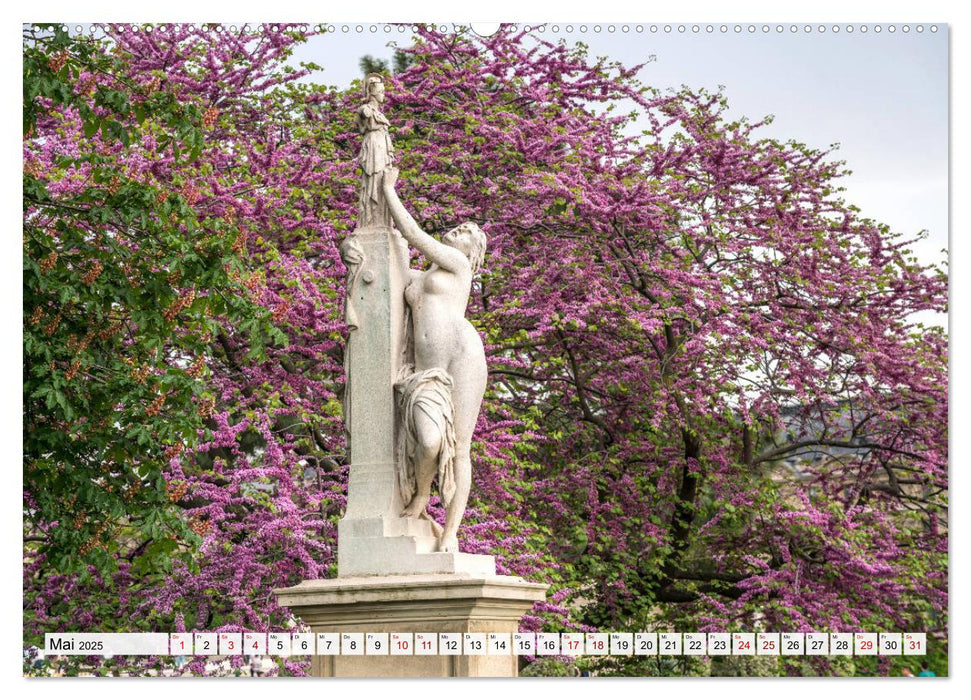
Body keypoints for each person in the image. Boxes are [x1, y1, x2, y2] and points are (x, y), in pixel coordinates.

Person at [382, 166, 488, 553]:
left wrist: (388, 191)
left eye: (466, 233)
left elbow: (412, 234)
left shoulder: (458, 267)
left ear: (471, 253)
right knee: (429, 442)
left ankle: (452, 533)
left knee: (459, 446)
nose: (459, 230)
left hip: (461, 358)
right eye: (459, 227)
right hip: (424, 373)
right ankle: (423, 494)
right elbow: (391, 269)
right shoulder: (422, 276)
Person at [357, 73, 394, 228]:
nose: (383, 95)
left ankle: (382, 220)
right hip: (373, 147)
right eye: (381, 91)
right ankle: (371, 218)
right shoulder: (366, 109)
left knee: (384, 181)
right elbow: (363, 114)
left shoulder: (379, 113)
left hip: (382, 146)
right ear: (372, 92)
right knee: (374, 179)